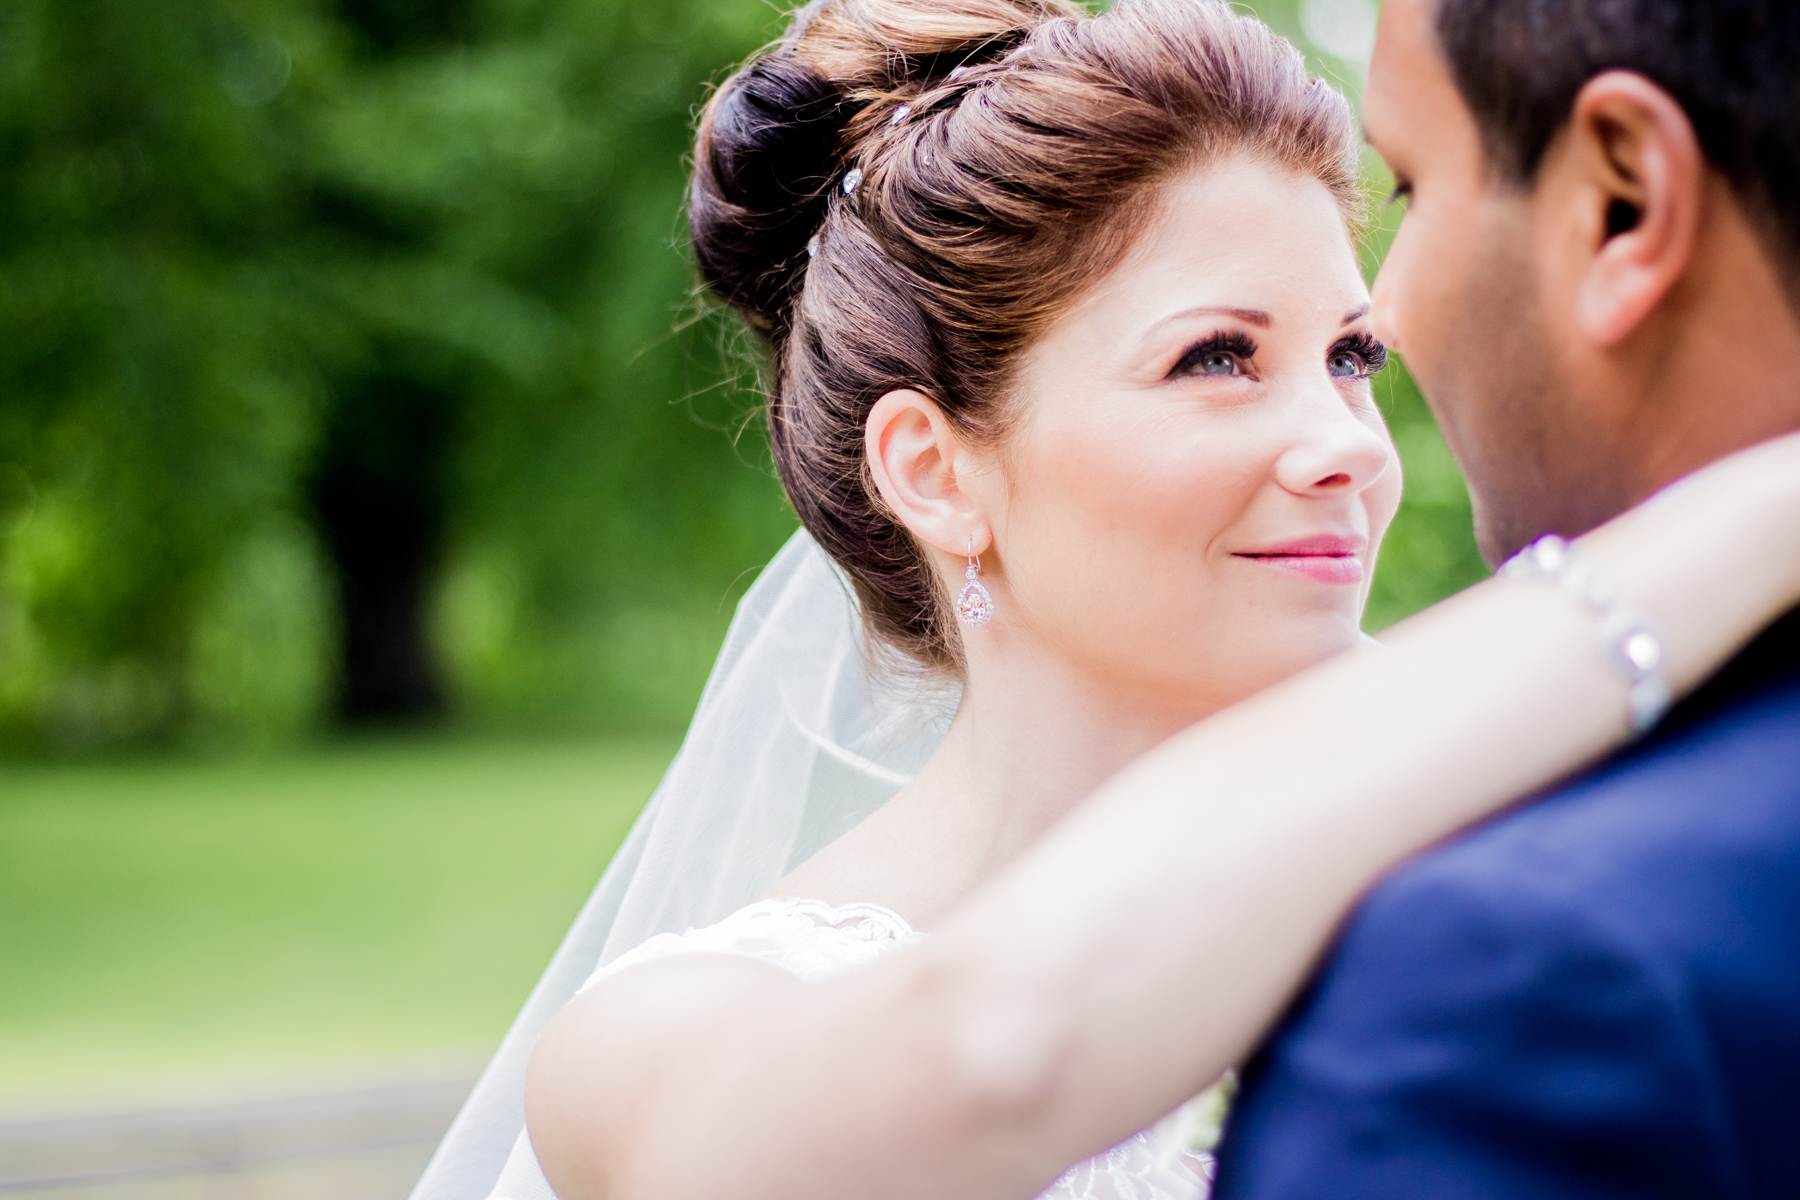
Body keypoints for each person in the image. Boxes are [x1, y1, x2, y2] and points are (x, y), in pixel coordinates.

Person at [413, 0, 1800, 1197]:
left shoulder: (1530, 868)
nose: (1349, 450)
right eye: (1215, 359)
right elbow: (988, 1058)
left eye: (1350, 356)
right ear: (936, 471)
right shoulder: (663, 1038)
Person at [1212, 0, 1800, 1195]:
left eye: (1418, 187)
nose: (1387, 313)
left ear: (1621, 200)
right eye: (1218, 359)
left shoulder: (1525, 981)